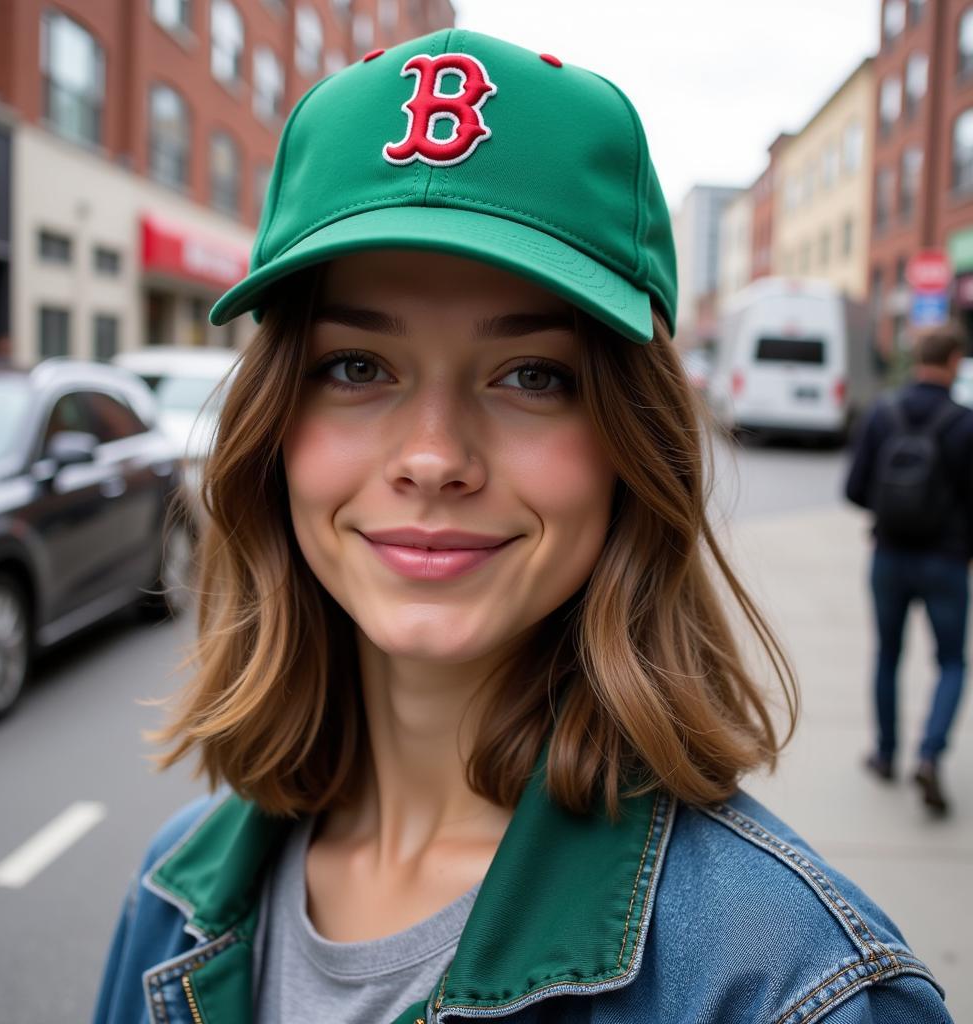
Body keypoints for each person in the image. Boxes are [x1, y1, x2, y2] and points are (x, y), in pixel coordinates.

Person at [93, 30, 953, 1024]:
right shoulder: (173, 895)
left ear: (634, 447)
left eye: (532, 375)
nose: (433, 455)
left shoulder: (786, 986)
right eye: (357, 366)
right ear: (276, 428)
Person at [845, 321, 973, 816]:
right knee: (952, 662)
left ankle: (885, 754)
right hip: (946, 562)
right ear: (954, 362)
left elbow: (854, 490)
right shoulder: (964, 423)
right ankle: (930, 755)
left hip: (889, 556)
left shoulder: (883, 413)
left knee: (887, 655)